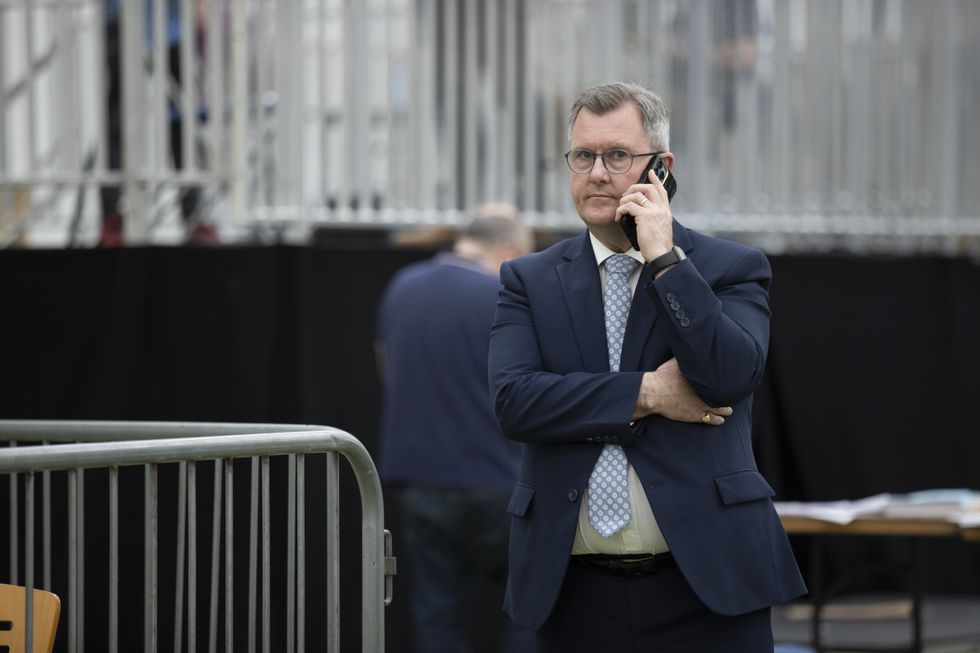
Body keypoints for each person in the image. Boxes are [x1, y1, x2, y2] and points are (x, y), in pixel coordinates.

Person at [487, 82, 806, 652]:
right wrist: (649, 394)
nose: (598, 173)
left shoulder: (730, 267)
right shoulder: (528, 279)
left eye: (617, 156)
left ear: (661, 168)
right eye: (583, 156)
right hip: (573, 595)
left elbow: (729, 378)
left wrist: (664, 259)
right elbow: (516, 403)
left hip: (708, 588)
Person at [375, 205, 535, 653]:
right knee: (529, 612)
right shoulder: (504, 295)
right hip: (501, 483)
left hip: (421, 483)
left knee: (435, 620)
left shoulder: (402, 286)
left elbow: (386, 369)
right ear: (507, 250)